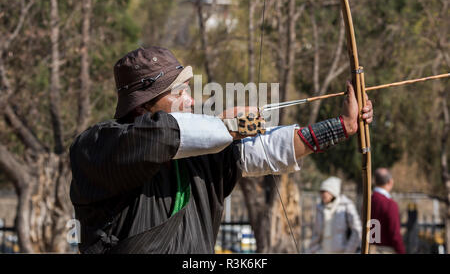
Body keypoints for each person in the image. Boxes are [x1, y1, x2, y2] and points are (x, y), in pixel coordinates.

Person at [69, 46, 373, 253]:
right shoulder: (98, 147)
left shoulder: (201, 149)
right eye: (179, 92)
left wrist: (341, 126)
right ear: (144, 104)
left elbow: (264, 151)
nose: (189, 101)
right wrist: (228, 125)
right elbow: (159, 137)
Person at [307, 177, 362, 254]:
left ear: (333, 191)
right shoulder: (320, 208)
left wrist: (349, 251)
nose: (323, 194)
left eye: (325, 191)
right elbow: (316, 234)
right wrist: (312, 250)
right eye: (321, 191)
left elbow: (357, 231)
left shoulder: (346, 205)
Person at [369, 168, 405, 254]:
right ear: (390, 182)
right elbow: (395, 234)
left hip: (369, 249)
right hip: (386, 250)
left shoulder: (368, 202)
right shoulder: (390, 204)